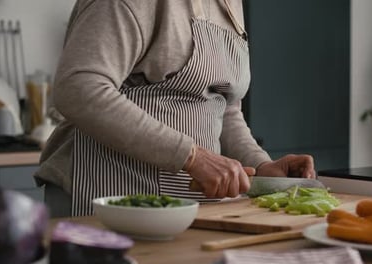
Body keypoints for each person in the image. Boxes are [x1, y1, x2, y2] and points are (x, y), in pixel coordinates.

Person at [34, 0, 315, 217]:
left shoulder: (229, 4)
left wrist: (260, 165)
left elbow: (223, 107)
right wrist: (192, 157)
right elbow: (79, 87)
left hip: (187, 212)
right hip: (108, 200)